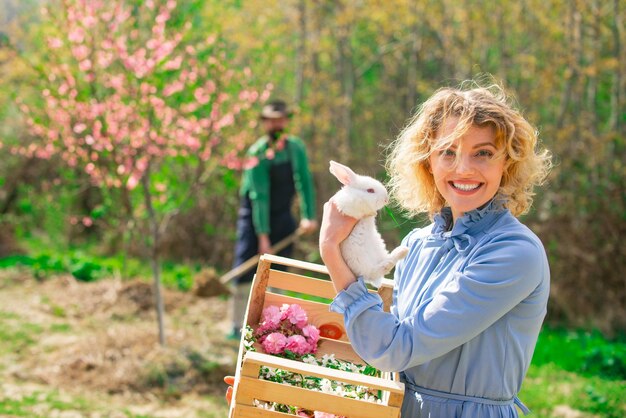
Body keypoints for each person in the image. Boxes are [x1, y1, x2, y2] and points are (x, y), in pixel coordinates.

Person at [319, 81, 552, 417]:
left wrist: (330, 250)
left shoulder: (514, 253)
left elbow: (395, 348)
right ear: (428, 162)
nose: (463, 169)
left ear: (508, 163)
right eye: (448, 152)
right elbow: (389, 351)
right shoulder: (419, 243)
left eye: (483, 153)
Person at [228, 99, 318, 340]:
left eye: (281, 119)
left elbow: (304, 182)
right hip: (254, 219)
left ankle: (275, 324)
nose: (276, 124)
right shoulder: (257, 154)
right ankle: (237, 325)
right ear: (265, 123)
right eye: (272, 120)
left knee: (278, 271)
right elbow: (260, 197)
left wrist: (308, 216)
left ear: (286, 121)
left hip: (282, 216)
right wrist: (263, 236)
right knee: (245, 272)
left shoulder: (295, 148)